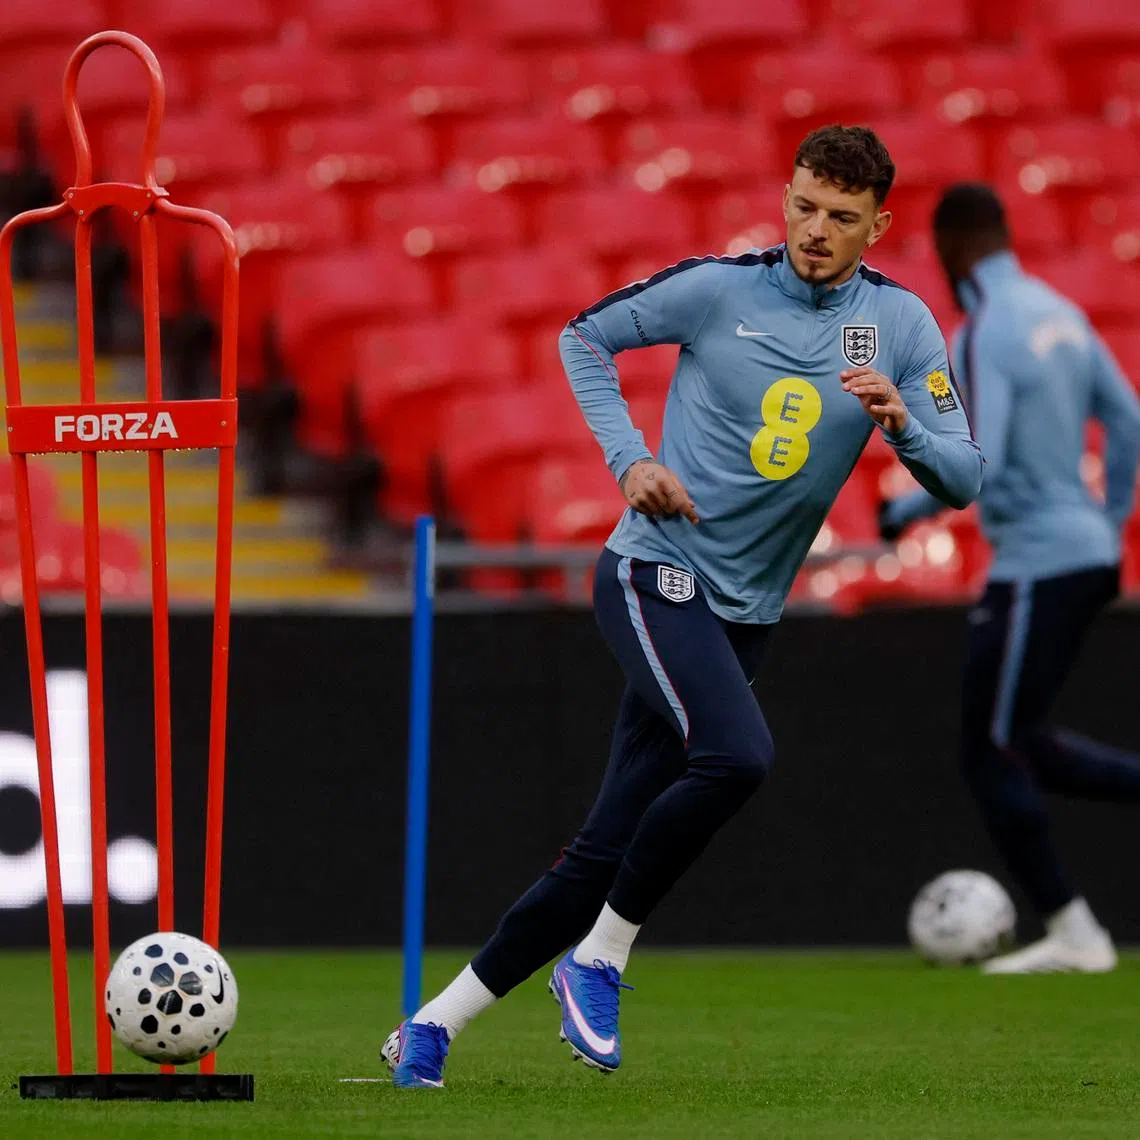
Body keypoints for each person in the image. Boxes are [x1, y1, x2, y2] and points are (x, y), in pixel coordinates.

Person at [383, 125, 982, 1088]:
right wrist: (632, 461)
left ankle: (432, 1026)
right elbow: (584, 336)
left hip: (745, 614)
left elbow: (963, 479)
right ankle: (601, 958)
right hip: (655, 572)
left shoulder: (902, 328)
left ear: (878, 224)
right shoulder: (717, 289)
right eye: (802, 205)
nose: (814, 229)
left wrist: (903, 424)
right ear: (784, 197)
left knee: (600, 849)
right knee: (740, 756)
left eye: (839, 216)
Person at [879, 182, 1140, 974]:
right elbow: (1128, 420)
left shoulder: (982, 328)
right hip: (1085, 551)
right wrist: (1109, 522)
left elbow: (972, 464)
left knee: (988, 748)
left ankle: (1074, 932)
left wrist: (904, 512)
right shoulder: (1061, 310)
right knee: (1022, 738)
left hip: (1035, 561)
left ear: (952, 248)